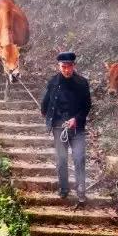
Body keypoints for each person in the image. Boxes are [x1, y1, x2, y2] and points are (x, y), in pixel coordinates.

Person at [40, 51, 91, 207]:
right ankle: (63, 188)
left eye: (69, 66)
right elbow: (45, 103)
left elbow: (87, 106)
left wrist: (76, 119)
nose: (66, 70)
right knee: (61, 159)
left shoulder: (82, 83)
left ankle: (81, 189)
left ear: (74, 66)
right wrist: (49, 117)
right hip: (58, 127)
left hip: (77, 128)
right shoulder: (53, 82)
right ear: (59, 66)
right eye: (63, 67)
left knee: (79, 158)